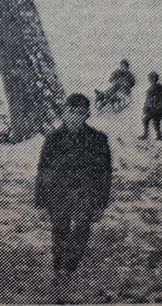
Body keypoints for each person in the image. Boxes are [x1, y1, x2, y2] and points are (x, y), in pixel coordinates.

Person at [35, 94, 112, 285]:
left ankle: (69, 269)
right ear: (64, 113)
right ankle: (58, 267)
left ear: (87, 114)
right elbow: (43, 169)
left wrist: (101, 203)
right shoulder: (53, 139)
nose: (75, 117)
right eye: (71, 112)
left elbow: (104, 174)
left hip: (85, 194)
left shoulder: (98, 140)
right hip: (58, 193)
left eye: (80, 113)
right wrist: (40, 201)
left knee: (81, 229)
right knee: (59, 229)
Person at [140, 72, 162, 141]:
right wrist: (161, 101)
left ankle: (146, 135)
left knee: (146, 120)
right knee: (156, 122)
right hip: (160, 109)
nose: (150, 80)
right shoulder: (161, 87)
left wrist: (146, 108)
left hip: (154, 109)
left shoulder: (152, 89)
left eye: (150, 78)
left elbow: (148, 100)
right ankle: (158, 136)